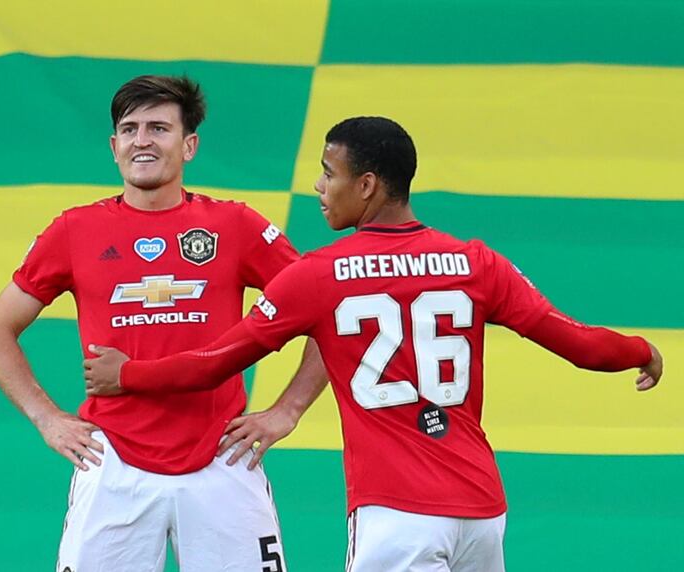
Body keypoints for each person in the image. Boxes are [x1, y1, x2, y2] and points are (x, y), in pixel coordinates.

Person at [83, 116, 664, 571]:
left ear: (366, 185)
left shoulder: (318, 275)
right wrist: (640, 350)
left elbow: (215, 363)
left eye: (328, 172)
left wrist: (127, 376)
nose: (318, 186)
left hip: (396, 516)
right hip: (483, 512)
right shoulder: (476, 262)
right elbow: (581, 345)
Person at [0, 75, 325, 572]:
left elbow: (331, 311)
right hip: (110, 462)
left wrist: (287, 410)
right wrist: (47, 418)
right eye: (130, 128)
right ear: (114, 147)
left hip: (223, 461)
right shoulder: (74, 230)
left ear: (189, 145)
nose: (142, 140)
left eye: (159, 127)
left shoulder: (235, 225)